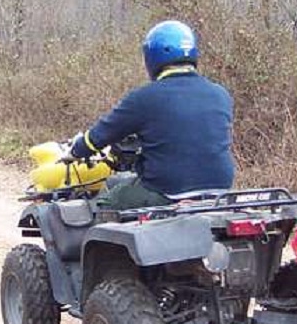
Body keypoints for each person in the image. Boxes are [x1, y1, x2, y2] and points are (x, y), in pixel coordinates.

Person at [68, 20, 235, 210]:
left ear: (151, 57)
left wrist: (76, 150)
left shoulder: (145, 98)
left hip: (168, 191)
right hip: (220, 190)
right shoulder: (221, 94)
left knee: (103, 205)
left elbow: (99, 136)